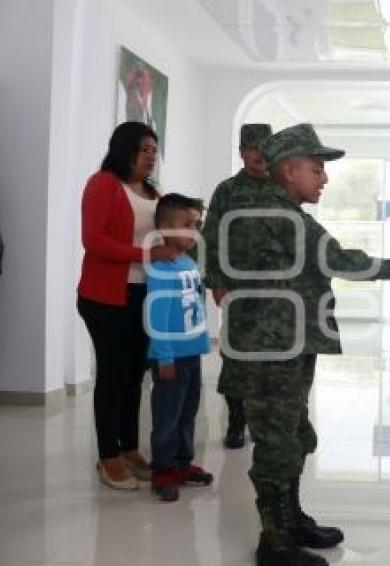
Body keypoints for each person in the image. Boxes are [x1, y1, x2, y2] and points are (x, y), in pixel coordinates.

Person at [218, 123, 390, 566]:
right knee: (276, 440)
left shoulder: (278, 209)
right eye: (317, 169)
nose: (324, 179)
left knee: (291, 432)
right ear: (289, 170)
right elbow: (338, 258)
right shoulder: (279, 215)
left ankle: (291, 520)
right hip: (272, 346)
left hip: (285, 340)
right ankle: (274, 541)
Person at [77, 122, 176, 490]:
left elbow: (164, 234)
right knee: (113, 376)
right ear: (125, 148)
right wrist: (147, 254)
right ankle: (108, 456)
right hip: (105, 298)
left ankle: (130, 448)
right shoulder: (102, 183)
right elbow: (94, 240)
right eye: (145, 148)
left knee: (136, 376)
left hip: (145, 296)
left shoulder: (154, 191)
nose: (152, 156)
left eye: (155, 149)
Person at [202, 123, 273, 450]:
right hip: (239, 288)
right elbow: (211, 237)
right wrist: (216, 281)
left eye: (264, 147)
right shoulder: (228, 190)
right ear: (242, 152)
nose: (259, 154)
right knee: (237, 355)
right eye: (252, 148)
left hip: (277, 289)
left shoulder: (282, 188)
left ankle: (266, 421)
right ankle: (236, 421)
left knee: (274, 357)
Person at [146, 194, 213, 502]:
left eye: (196, 225)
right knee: (167, 416)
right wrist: (164, 356)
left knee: (188, 412)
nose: (194, 231)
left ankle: (182, 464)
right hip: (171, 356)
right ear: (164, 227)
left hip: (192, 353)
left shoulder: (187, 261)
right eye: (187, 225)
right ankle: (162, 469)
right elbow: (157, 314)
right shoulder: (162, 266)